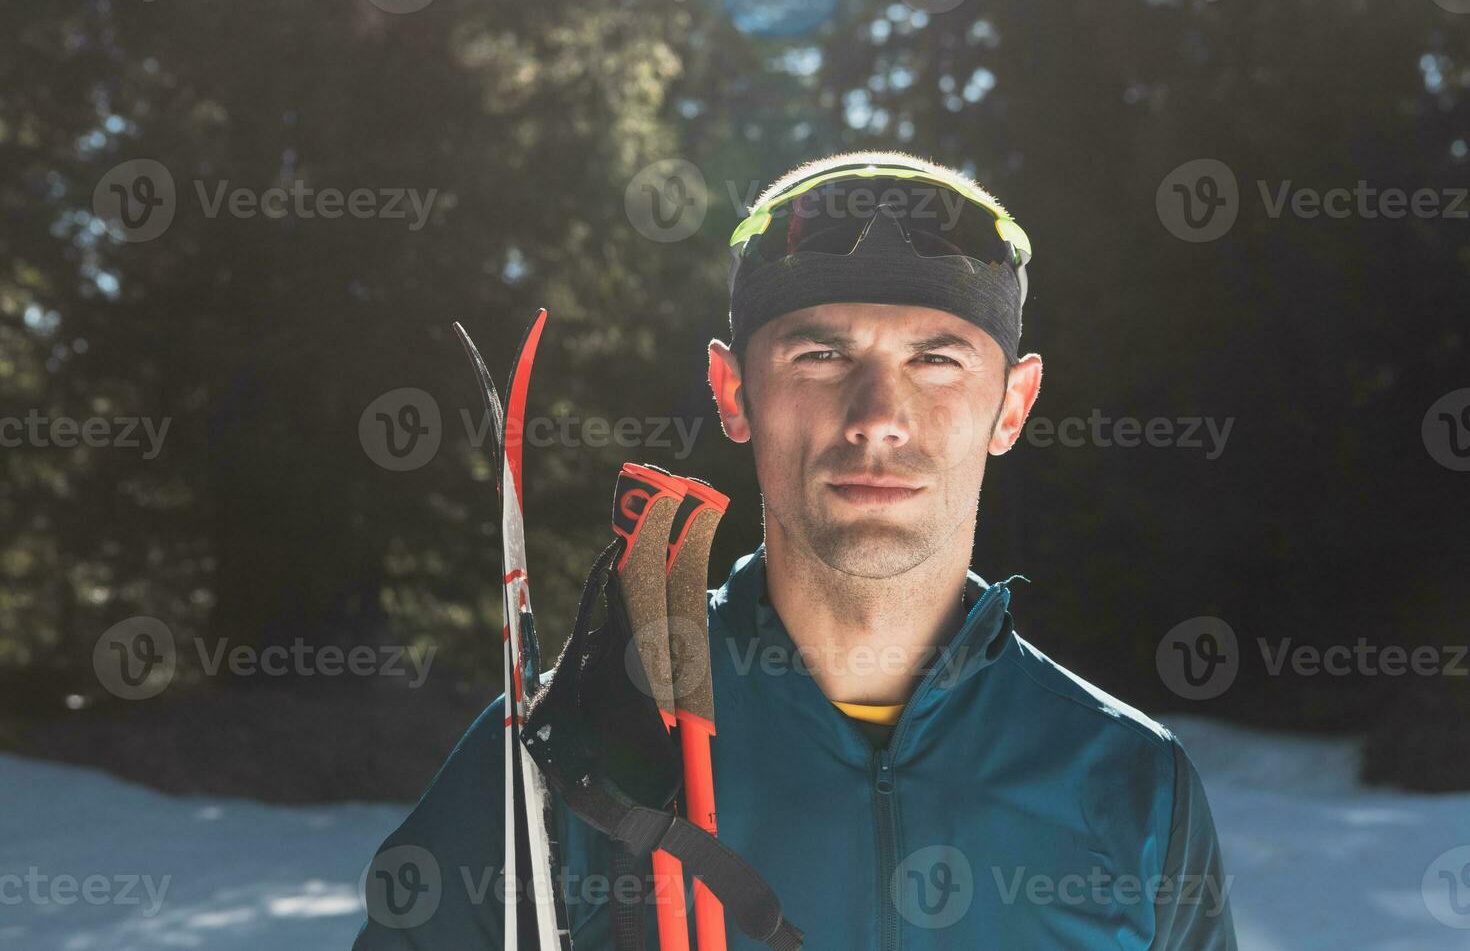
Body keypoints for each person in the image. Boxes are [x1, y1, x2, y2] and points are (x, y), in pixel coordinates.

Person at [353, 149, 1237, 949]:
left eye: (938, 360)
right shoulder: (580, 740)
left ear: (1013, 404)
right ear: (732, 391)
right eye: (819, 355)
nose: (879, 418)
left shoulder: (1130, 781)